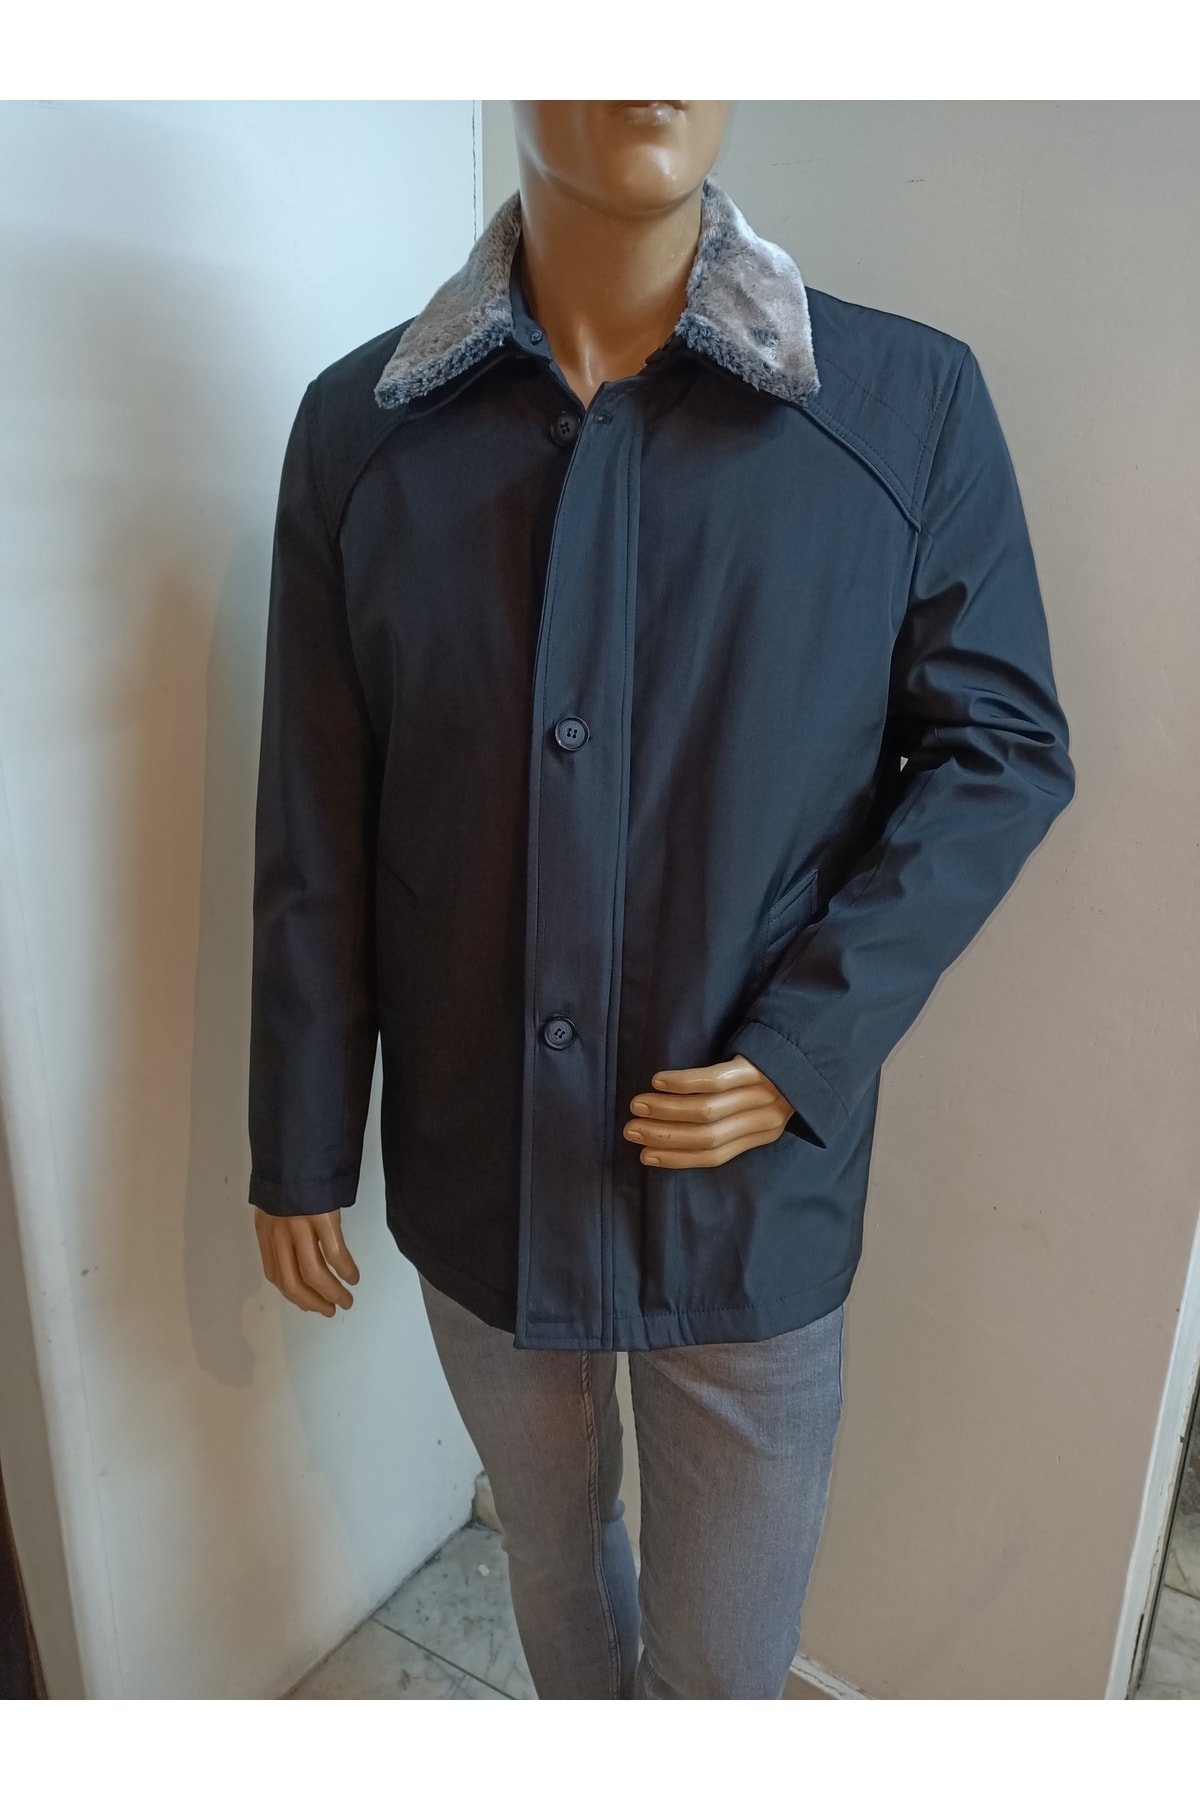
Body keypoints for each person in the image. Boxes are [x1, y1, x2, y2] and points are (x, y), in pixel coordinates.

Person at [247, 101, 1076, 1699]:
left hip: (747, 1190)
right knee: (553, 1556)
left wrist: (802, 1044)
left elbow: (1002, 749)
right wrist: (300, 1138)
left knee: (723, 1664)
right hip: (479, 1160)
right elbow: (317, 815)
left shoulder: (898, 407)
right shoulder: (361, 433)